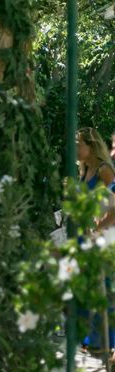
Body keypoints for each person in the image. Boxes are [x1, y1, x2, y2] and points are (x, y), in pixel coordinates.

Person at [76, 127, 115, 353]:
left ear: (91, 146)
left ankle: (106, 343)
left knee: (104, 288)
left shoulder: (104, 170)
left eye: (79, 143)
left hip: (101, 237)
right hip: (84, 236)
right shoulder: (84, 170)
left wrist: (98, 228)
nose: (76, 148)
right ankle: (90, 340)